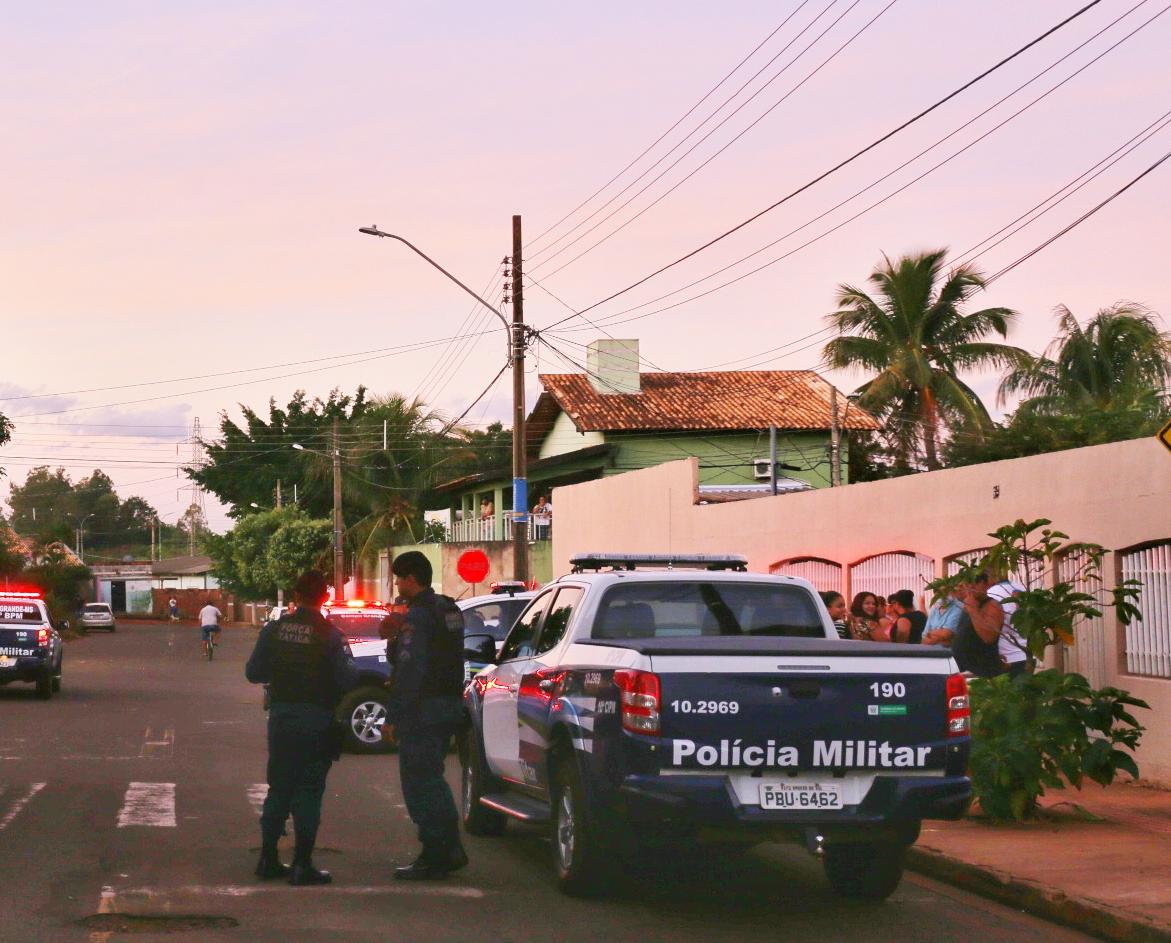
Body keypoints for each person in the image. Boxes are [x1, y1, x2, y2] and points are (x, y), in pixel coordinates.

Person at [245, 570, 358, 886]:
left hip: (282, 718)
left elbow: (253, 672)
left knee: (279, 787)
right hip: (317, 720)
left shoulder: (273, 630)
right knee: (308, 791)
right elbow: (348, 679)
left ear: (295, 596)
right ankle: (301, 864)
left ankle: (268, 859)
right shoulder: (330, 635)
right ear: (324, 597)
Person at [384, 550, 468, 881]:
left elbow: (409, 668)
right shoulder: (450, 609)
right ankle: (449, 848)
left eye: (399, 578)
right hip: (447, 704)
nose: (397, 584)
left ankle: (436, 853)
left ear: (411, 579)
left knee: (420, 783)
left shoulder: (418, 616)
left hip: (422, 709)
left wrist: (393, 715)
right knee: (433, 779)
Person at [947, 573, 1005, 678]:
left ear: (984, 584)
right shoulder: (967, 605)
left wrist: (972, 608)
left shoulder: (992, 605)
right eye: (962, 586)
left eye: (972, 586)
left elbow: (989, 637)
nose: (967, 590)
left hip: (982, 672)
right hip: (963, 669)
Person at [988, 573, 1029, 676]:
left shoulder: (990, 594)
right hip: (1027, 655)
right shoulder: (1021, 588)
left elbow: (990, 629)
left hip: (1005, 658)